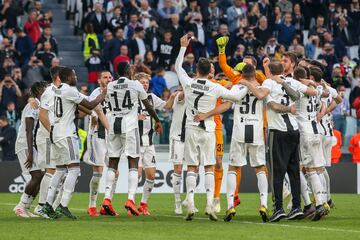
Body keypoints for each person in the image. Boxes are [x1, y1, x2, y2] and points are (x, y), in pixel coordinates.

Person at [175, 34, 245, 221]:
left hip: (191, 127)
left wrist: (183, 47)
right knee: (208, 166)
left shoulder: (189, 83)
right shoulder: (215, 87)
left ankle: (190, 201)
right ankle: (209, 204)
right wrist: (247, 82)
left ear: (197, 69)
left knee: (191, 166)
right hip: (208, 129)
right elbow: (235, 98)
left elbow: (177, 67)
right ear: (209, 71)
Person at [195, 64, 270, 222]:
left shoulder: (237, 88)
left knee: (233, 168)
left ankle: (230, 205)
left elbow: (226, 106)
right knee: (260, 167)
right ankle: (263, 204)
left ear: (242, 74)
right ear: (255, 75)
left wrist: (207, 114)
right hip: (256, 131)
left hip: (239, 130)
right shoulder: (262, 87)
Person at [247, 59, 314, 222]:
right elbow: (312, 92)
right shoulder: (290, 81)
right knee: (294, 171)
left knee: (277, 173)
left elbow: (268, 102)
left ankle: (278, 209)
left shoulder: (269, 83)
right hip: (294, 130)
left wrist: (247, 83)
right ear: (283, 69)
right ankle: (297, 207)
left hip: (278, 132)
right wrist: (309, 81)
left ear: (269, 70)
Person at [41, 67, 107, 219]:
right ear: (68, 77)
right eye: (74, 75)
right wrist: (102, 95)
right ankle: (63, 205)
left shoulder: (58, 90)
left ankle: (48, 205)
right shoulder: (69, 90)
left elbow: (78, 109)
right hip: (66, 134)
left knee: (60, 170)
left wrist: (91, 112)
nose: (76, 77)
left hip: (56, 133)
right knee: (75, 169)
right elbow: (90, 104)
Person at [101, 62, 162, 216]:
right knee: (133, 162)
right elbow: (147, 105)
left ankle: (107, 199)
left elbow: (105, 103)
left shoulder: (111, 85)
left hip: (114, 126)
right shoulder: (135, 84)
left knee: (113, 163)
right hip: (129, 127)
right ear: (128, 71)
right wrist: (157, 120)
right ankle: (130, 199)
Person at [135, 72, 174, 215]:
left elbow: (167, 106)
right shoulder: (131, 98)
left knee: (151, 175)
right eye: (142, 82)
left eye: (146, 82)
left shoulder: (151, 97)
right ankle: (131, 201)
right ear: (136, 83)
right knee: (137, 173)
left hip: (149, 143)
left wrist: (174, 96)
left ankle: (143, 204)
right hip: (135, 143)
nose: (145, 84)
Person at [13, 81, 48, 217]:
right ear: (39, 91)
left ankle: (26, 206)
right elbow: (28, 129)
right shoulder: (32, 105)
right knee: (37, 175)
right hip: (25, 144)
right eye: (45, 89)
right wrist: (30, 152)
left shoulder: (38, 104)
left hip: (32, 144)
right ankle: (21, 206)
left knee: (40, 176)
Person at [35, 66, 63, 219]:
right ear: (58, 76)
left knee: (56, 170)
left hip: (55, 136)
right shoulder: (49, 92)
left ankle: (48, 205)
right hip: (47, 136)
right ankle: (41, 207)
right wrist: (52, 131)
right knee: (51, 170)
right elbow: (42, 115)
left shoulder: (60, 91)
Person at [83, 71, 111, 217]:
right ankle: (92, 205)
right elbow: (92, 109)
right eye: (105, 77)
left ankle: (107, 204)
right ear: (99, 80)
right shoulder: (95, 94)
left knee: (114, 172)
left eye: (110, 77)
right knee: (98, 171)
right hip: (98, 135)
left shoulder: (114, 93)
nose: (108, 79)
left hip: (112, 136)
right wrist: (94, 116)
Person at [168, 87, 186, 214]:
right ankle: (177, 202)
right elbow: (181, 97)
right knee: (178, 169)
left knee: (194, 168)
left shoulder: (198, 97)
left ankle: (189, 200)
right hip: (178, 137)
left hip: (191, 137)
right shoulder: (180, 95)